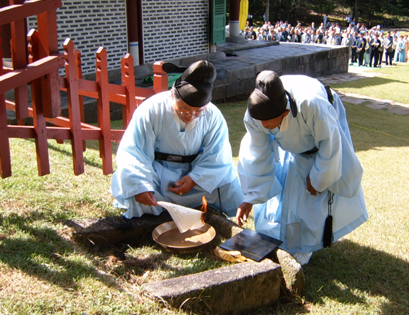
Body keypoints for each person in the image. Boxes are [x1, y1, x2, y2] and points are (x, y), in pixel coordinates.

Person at [235, 71, 368, 265]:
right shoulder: (255, 113)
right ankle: (275, 238)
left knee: (304, 196)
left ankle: (303, 246)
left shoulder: (314, 105)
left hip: (318, 135)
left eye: (269, 124)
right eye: (261, 123)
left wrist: (318, 178)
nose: (263, 126)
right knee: (283, 192)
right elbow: (257, 151)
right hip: (290, 136)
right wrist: (251, 195)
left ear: (285, 113)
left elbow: (330, 145)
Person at [111, 60, 245, 218]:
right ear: (172, 95)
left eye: (198, 111)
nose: (190, 116)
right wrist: (140, 184)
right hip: (159, 172)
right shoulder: (152, 109)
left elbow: (217, 155)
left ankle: (216, 215)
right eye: (184, 109)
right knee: (137, 183)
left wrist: (195, 179)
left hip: (194, 172)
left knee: (226, 179)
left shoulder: (213, 115)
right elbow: (134, 151)